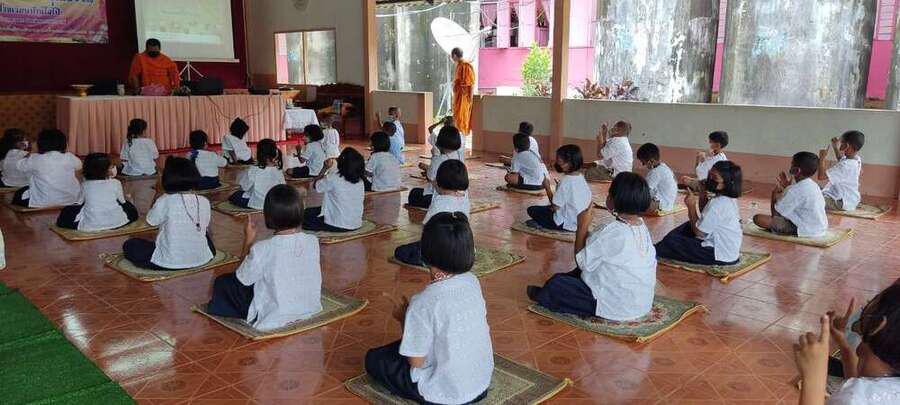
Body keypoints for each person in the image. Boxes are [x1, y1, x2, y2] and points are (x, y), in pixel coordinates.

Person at [365, 213, 492, 404]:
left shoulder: (424, 302)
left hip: (447, 393)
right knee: (400, 347)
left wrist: (404, 320)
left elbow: (417, 362)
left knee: (375, 359)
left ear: (425, 252)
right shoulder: (472, 281)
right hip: (480, 384)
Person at [527, 172, 657, 321]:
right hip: (642, 303)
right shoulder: (641, 227)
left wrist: (582, 225)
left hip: (616, 306)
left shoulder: (611, 231)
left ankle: (547, 294)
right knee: (575, 273)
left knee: (557, 284)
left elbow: (581, 262)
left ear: (613, 200)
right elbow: (597, 246)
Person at [206, 185, 323, 330]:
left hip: (276, 313)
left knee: (222, 282)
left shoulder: (263, 248)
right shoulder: (313, 240)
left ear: (268, 215)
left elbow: (242, 278)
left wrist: (248, 240)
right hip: (309, 306)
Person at [793, 284, 900, 405]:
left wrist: (813, 378)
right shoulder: (887, 388)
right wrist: (844, 345)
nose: (858, 350)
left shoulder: (852, 400)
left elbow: (855, 394)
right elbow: (855, 384)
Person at [122, 157, 215, 270]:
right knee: (204, 239)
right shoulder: (204, 201)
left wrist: (158, 192)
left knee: (130, 245)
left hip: (170, 260)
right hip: (201, 258)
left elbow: (150, 221)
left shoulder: (165, 200)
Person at [655, 161, 743, 265]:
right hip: (729, 252)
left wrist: (691, 206)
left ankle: (658, 249)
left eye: (714, 178)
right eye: (709, 175)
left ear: (726, 183)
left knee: (671, 241)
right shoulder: (728, 199)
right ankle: (663, 246)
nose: (709, 179)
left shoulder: (718, 203)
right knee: (686, 227)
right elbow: (705, 214)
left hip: (717, 254)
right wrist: (702, 193)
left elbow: (699, 233)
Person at [395, 160, 471, 266]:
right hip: (460, 247)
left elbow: (427, 229)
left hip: (440, 250)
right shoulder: (465, 196)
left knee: (401, 251)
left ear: (439, 181)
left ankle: (428, 260)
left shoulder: (439, 202)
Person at [753, 152, 828, 238]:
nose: (790, 167)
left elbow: (776, 215)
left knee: (758, 219)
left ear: (797, 170)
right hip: (820, 227)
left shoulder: (794, 190)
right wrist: (787, 188)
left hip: (806, 229)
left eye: (792, 164)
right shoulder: (814, 185)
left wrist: (774, 194)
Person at [56, 153, 139, 231]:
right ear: (106, 170)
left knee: (67, 211)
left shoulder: (85, 185)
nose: (114, 169)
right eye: (111, 167)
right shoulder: (116, 182)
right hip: (117, 222)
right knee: (129, 207)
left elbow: (79, 203)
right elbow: (123, 202)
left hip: (92, 224)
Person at [526, 145, 592, 232]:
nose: (556, 163)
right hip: (580, 221)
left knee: (532, 210)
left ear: (568, 164)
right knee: (546, 209)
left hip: (565, 223)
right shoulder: (581, 177)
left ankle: (542, 224)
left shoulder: (565, 181)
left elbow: (555, 207)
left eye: (559, 161)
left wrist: (547, 187)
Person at [12, 129, 82, 208]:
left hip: (44, 201)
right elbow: (79, 166)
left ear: (40, 143)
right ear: (64, 143)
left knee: (19, 194)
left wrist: (32, 152)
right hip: (71, 200)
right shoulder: (70, 157)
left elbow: (19, 166)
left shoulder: (36, 158)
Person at [303, 147, 366, 232]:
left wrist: (325, 168)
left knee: (306, 214)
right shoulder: (360, 181)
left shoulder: (334, 178)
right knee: (315, 211)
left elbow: (315, 185)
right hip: (356, 223)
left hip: (337, 224)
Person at [408, 126, 463, 209]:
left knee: (414, 193)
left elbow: (430, 177)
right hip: (456, 195)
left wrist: (429, 164)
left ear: (440, 142)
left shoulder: (437, 159)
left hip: (440, 197)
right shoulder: (459, 155)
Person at [228, 139, 285, 210]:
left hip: (258, 203)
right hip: (274, 202)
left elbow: (244, 187)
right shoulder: (278, 168)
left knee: (235, 195)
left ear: (259, 153)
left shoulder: (254, 169)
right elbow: (283, 186)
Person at [819, 130, 865, 212]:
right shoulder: (856, 159)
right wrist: (835, 147)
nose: (840, 145)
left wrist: (822, 158)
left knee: (812, 197)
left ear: (847, 145)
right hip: (851, 199)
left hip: (840, 202)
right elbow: (841, 159)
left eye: (842, 143)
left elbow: (821, 176)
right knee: (815, 189)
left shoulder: (845, 166)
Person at [636, 143, 677, 213]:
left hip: (663, 205)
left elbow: (645, 190)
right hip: (669, 203)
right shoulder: (663, 167)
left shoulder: (655, 172)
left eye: (643, 163)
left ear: (651, 161)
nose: (643, 165)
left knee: (635, 199)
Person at [451, 48, 476, 135]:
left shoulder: (466, 66)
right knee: (457, 118)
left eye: (452, 56)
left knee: (462, 119)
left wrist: (470, 99)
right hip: (458, 97)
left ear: (454, 55)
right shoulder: (459, 66)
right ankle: (457, 137)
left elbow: (471, 84)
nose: (452, 59)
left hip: (464, 98)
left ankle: (461, 138)